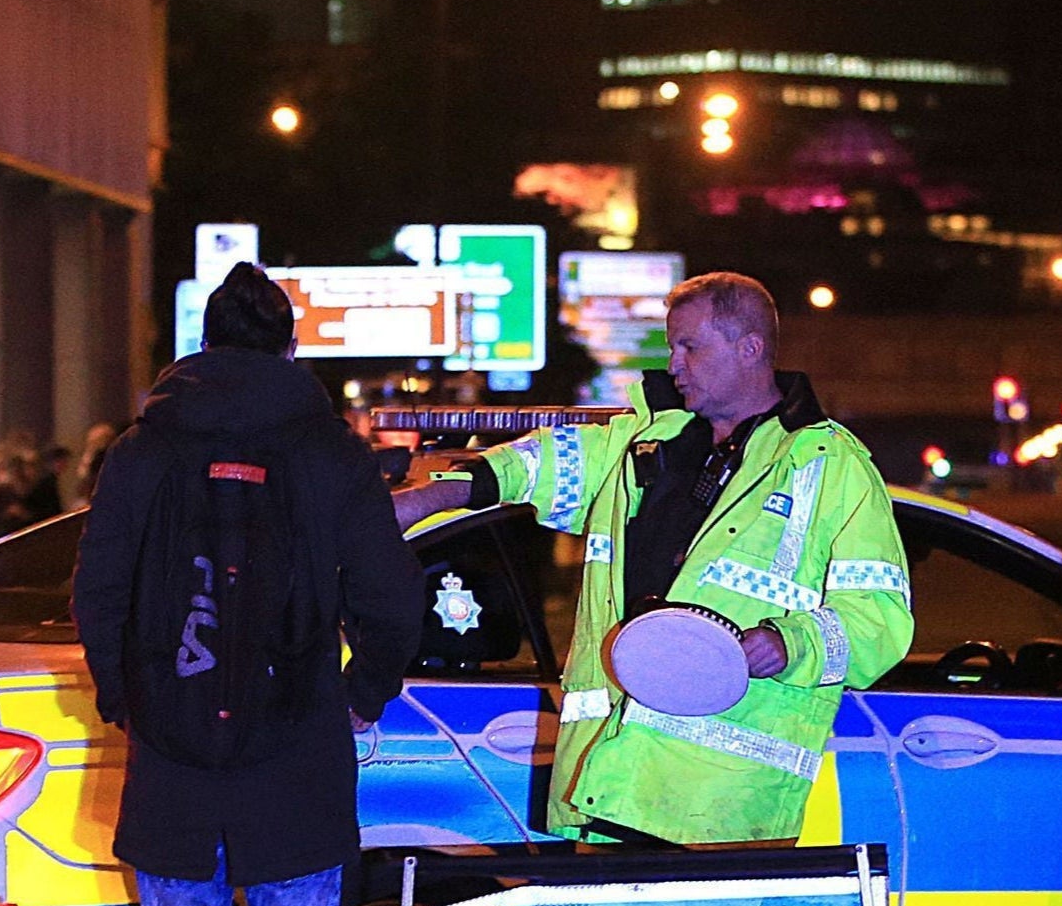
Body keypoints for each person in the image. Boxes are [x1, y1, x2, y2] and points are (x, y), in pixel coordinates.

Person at [71, 264, 421, 906]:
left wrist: (128, 697)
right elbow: (394, 598)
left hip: (174, 772)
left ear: (202, 342)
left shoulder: (145, 450)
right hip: (294, 768)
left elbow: (99, 589)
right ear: (288, 348)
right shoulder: (329, 456)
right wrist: (361, 696)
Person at [389, 271, 913, 847]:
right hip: (612, 790)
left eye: (690, 345)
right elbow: (531, 468)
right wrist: (426, 498)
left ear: (750, 348)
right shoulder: (645, 442)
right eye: (671, 347)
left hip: (722, 811)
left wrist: (790, 643)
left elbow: (880, 617)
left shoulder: (828, 463)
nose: (675, 363)